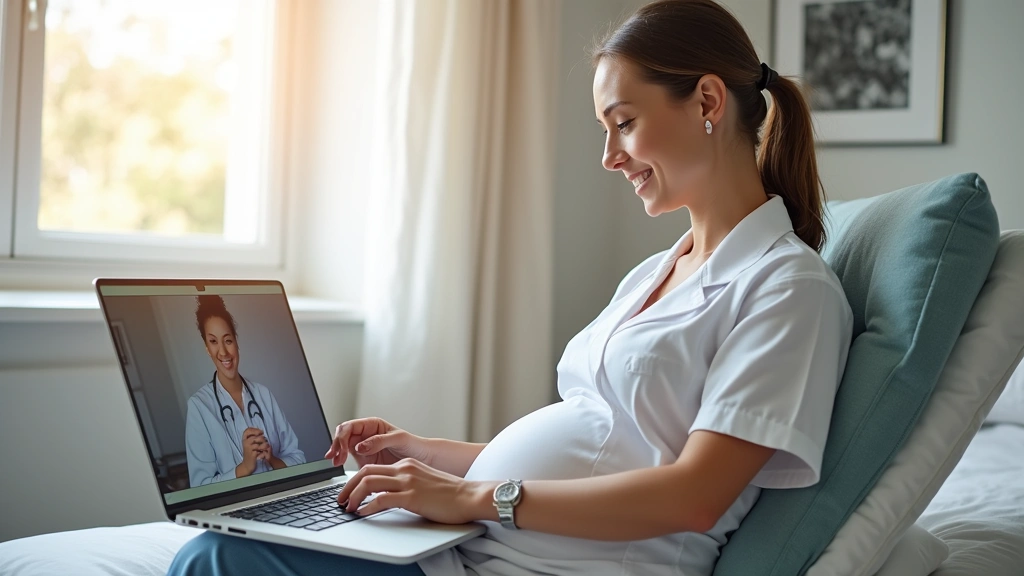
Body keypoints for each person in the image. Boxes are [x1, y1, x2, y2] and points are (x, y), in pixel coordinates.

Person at [169, 0, 853, 573]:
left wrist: (470, 498)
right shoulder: (656, 272)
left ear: (706, 99)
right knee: (221, 550)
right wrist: (422, 454)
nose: (610, 158)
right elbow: (599, 445)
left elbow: (693, 496)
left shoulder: (788, 289)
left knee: (214, 563)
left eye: (624, 123)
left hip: (537, 564)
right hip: (480, 541)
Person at [184, 295, 306, 487]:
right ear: (207, 348)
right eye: (214, 342)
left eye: (228, 340)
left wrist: (272, 459)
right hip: (236, 509)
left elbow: (299, 459)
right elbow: (201, 486)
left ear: (236, 341)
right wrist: (244, 468)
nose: (223, 352)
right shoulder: (199, 407)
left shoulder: (263, 395)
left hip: (280, 497)